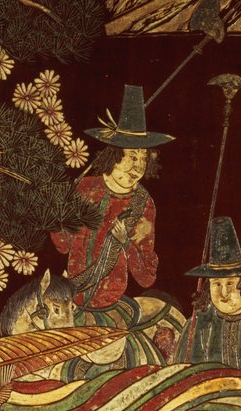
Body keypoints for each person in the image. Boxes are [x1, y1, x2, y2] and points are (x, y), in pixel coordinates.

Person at [50, 85, 172, 312]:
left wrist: (125, 242)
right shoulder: (85, 188)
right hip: (71, 295)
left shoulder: (143, 204)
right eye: (132, 157)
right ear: (115, 154)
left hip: (111, 301)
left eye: (143, 158)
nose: (139, 167)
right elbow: (62, 246)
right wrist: (58, 212)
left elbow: (147, 277)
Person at [174, 216, 241, 381]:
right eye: (216, 284)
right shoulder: (200, 321)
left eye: (231, 284)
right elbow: (185, 368)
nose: (223, 293)